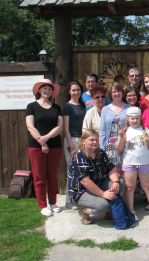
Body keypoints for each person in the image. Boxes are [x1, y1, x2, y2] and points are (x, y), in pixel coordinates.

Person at [67, 129, 125, 225]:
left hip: (97, 184)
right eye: (91, 140)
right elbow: (85, 181)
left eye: (96, 140)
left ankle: (108, 210)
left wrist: (116, 182)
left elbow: (111, 168)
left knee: (121, 183)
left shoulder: (100, 153)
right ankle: (83, 210)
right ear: (83, 141)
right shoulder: (79, 156)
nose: (95, 142)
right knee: (102, 206)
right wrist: (102, 194)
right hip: (80, 192)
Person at [25, 79, 63, 217]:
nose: (47, 91)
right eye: (44, 88)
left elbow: (59, 127)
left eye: (49, 88)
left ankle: (53, 203)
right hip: (36, 147)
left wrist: (46, 138)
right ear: (39, 91)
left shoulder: (56, 107)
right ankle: (43, 205)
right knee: (39, 176)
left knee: (52, 176)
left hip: (55, 146)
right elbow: (30, 126)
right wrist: (42, 142)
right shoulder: (31, 106)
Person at [115, 107, 149, 221]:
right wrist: (120, 137)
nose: (134, 121)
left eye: (137, 118)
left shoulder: (146, 130)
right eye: (132, 118)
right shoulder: (125, 131)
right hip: (129, 163)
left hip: (144, 163)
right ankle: (131, 210)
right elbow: (118, 148)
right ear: (128, 119)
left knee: (148, 186)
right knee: (130, 187)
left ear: (140, 119)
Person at [63, 81, 86, 209]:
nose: (76, 92)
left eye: (78, 90)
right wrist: (71, 144)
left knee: (81, 170)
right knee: (72, 171)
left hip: (82, 140)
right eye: (73, 90)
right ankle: (69, 201)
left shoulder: (81, 105)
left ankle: (78, 198)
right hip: (72, 140)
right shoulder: (67, 106)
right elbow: (65, 128)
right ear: (69, 92)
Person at [99, 82, 131, 176]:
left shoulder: (128, 108)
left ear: (122, 92)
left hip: (125, 147)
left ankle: (124, 191)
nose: (117, 94)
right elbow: (102, 130)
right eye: (114, 91)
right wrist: (101, 148)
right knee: (110, 174)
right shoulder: (105, 109)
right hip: (109, 148)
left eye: (119, 91)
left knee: (124, 174)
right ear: (110, 93)